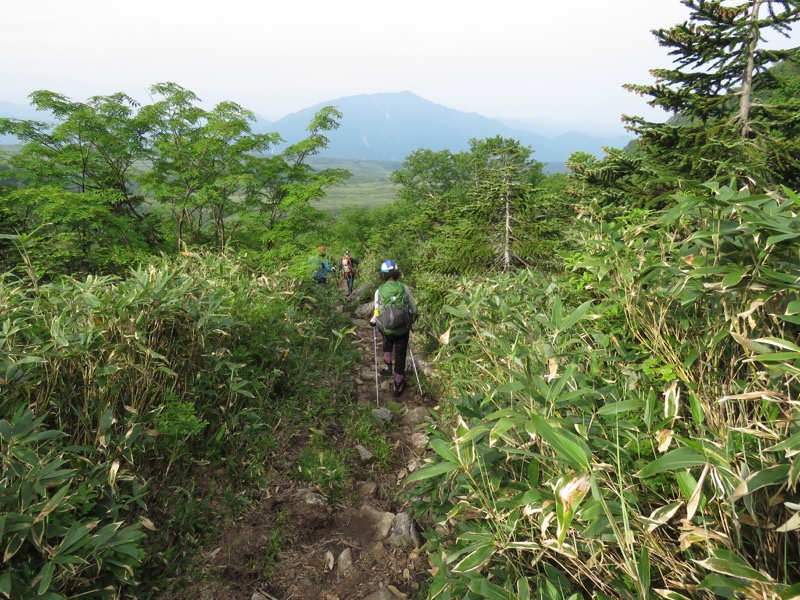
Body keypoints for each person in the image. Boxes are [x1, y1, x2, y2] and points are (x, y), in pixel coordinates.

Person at [369, 260, 418, 397]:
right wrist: (410, 320)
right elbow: (413, 310)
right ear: (397, 273)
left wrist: (373, 321)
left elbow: (377, 311)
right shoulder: (404, 288)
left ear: (383, 275)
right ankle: (398, 383)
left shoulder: (379, 291)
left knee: (387, 340)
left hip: (387, 328)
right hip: (402, 328)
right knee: (401, 353)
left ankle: (388, 366)